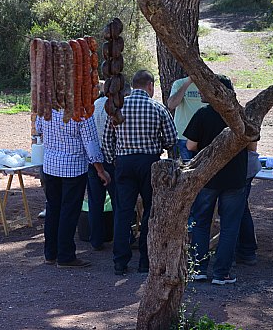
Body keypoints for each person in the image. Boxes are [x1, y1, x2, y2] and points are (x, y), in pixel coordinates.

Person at [103, 70, 177, 275]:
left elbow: (107, 139)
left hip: (124, 162)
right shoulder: (158, 108)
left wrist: (113, 159)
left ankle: (120, 261)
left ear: (133, 85)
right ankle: (145, 260)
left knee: (123, 212)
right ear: (150, 86)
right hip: (149, 163)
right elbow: (171, 138)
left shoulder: (119, 107)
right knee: (149, 212)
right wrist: (157, 144)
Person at [184, 75, 247, 285]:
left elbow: (190, 146)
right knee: (229, 226)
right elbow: (253, 146)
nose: (201, 92)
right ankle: (222, 273)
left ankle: (198, 268)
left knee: (201, 223)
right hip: (235, 178)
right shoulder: (240, 115)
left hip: (208, 177)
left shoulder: (202, 114)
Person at [36, 109, 110, 268]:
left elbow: (38, 129)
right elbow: (91, 144)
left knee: (53, 209)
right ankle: (65, 255)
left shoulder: (46, 107)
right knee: (69, 212)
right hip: (73, 167)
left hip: (50, 165)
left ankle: (51, 253)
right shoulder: (82, 111)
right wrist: (100, 170)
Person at [86, 84, 124, 251]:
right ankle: (120, 238)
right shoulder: (113, 108)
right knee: (118, 201)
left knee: (95, 201)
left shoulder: (93, 107)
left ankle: (96, 239)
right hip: (109, 160)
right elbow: (111, 139)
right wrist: (112, 161)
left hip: (92, 159)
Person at [166, 76, 205, 162]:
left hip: (203, 137)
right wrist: (187, 83)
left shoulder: (207, 83)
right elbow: (171, 105)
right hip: (183, 137)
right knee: (185, 169)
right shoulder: (179, 84)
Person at [237, 142, 261, 265]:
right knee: (240, 209)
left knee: (239, 210)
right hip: (245, 167)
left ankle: (246, 250)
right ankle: (246, 250)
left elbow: (252, 146)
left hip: (242, 168)